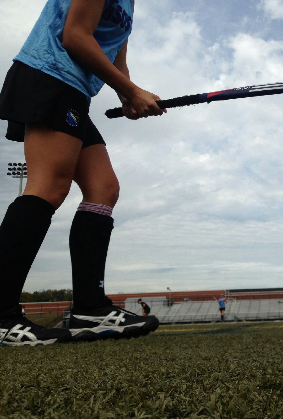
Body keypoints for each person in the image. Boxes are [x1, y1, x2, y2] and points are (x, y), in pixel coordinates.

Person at [0, 0, 163, 346]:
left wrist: (127, 94)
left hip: (73, 88)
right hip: (49, 75)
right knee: (48, 187)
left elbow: (116, 54)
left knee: (103, 187)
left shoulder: (130, 3)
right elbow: (75, 35)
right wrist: (133, 91)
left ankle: (89, 308)